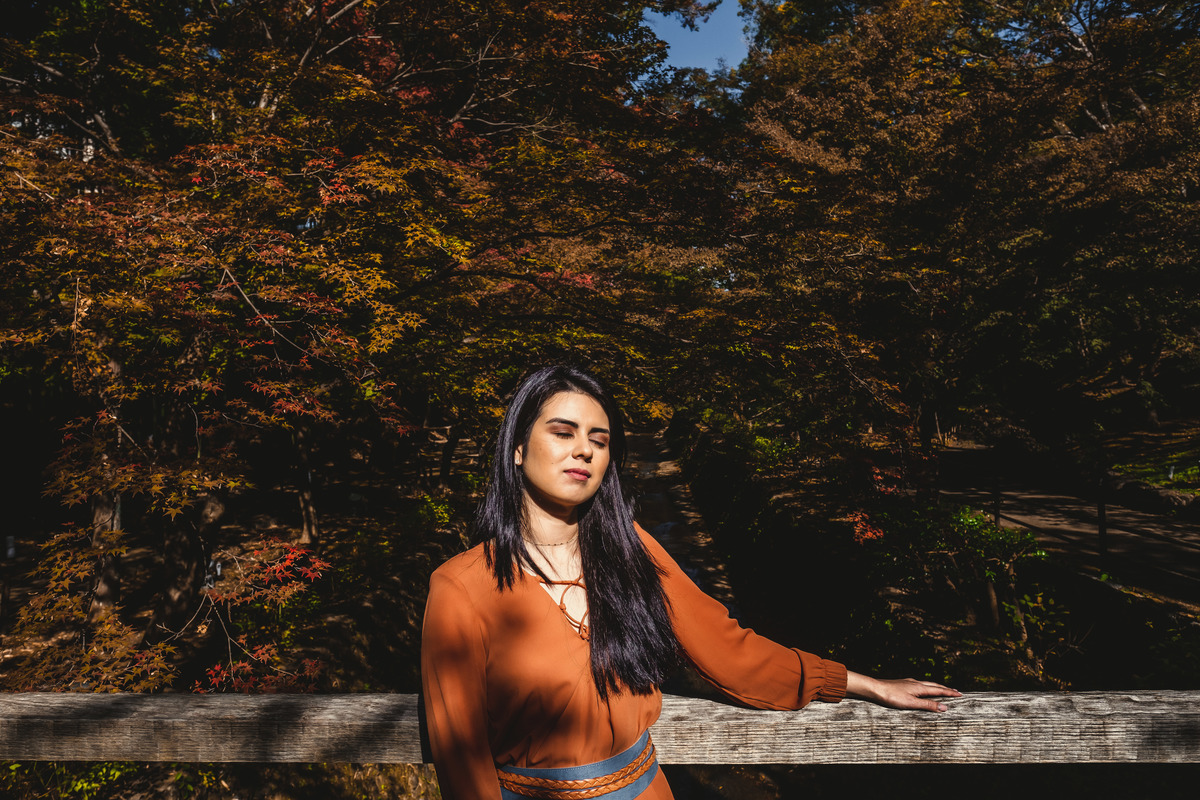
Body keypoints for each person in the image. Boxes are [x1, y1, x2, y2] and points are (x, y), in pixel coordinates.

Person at [421, 365, 960, 800]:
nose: (583, 449)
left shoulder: (631, 548)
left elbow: (726, 649)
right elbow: (461, 758)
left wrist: (857, 682)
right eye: (562, 432)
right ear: (517, 448)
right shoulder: (461, 589)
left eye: (599, 440)